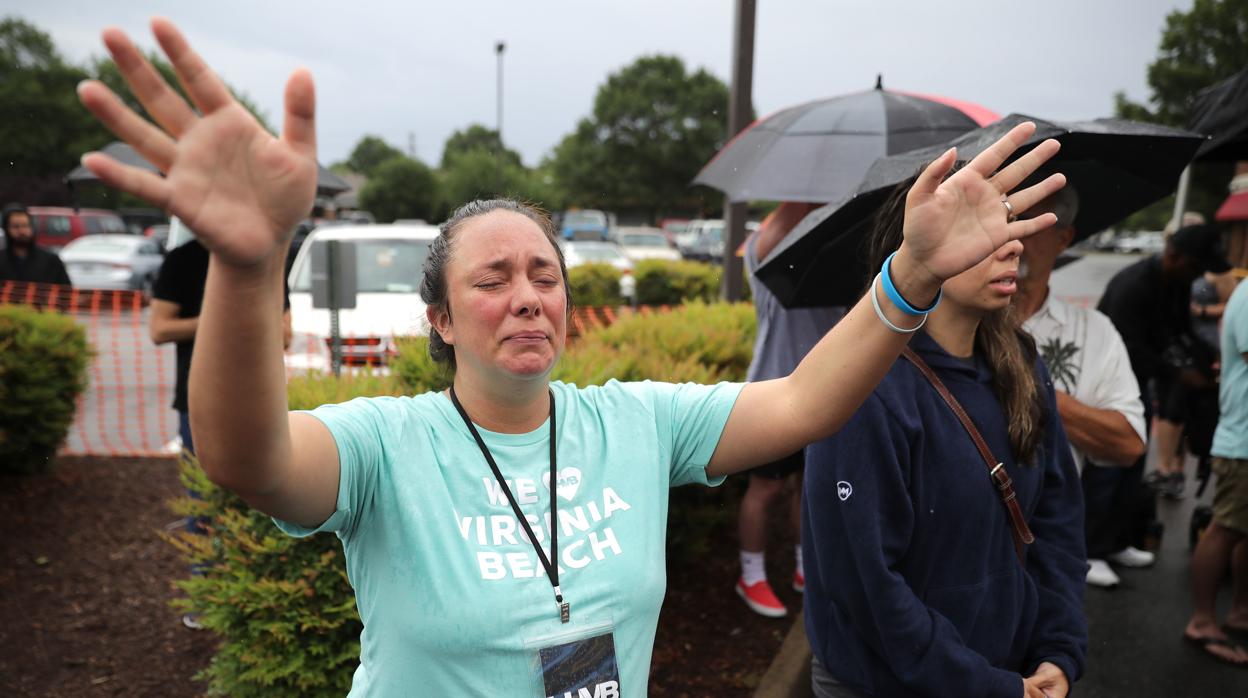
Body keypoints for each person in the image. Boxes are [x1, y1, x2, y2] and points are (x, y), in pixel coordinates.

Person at [76, 19, 1064, 696]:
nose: (526, 295)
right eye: (492, 278)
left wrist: (910, 269)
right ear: (443, 321)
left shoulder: (631, 422)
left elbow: (805, 400)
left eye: (543, 273)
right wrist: (247, 266)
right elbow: (246, 458)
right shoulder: (385, 444)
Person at [803, 182, 1087, 697]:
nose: (1013, 246)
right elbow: (868, 587)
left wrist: (1058, 650)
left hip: (1013, 673)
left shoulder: (1022, 365)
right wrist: (987, 685)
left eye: (1010, 227)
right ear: (917, 245)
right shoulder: (862, 385)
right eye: (979, 229)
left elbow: (1057, 522)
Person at [1013, 188, 1149, 589]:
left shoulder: (1094, 332)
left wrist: (1035, 387)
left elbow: (1127, 445)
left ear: (1065, 238)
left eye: (1034, 222)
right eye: (1007, 217)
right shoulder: (949, 326)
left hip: (1049, 540)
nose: (1016, 235)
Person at [736, 200, 844, 617]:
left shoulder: (833, 250)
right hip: (773, 389)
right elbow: (777, 228)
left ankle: (805, 568)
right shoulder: (768, 247)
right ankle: (751, 575)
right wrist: (807, 194)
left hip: (826, 390)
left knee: (809, 486)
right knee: (766, 488)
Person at [1099, 224, 1227, 500]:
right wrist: (1178, 374)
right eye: (1195, 267)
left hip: (1139, 377)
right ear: (1173, 255)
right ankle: (1099, 536)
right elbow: (1126, 348)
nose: (1198, 276)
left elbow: (1181, 329)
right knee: (1113, 462)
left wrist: (1208, 357)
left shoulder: (1178, 283)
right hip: (1109, 383)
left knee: (1135, 455)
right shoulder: (1134, 286)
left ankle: (1121, 530)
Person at [151, 236, 292, 455]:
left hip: (257, 402)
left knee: (253, 484)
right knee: (204, 482)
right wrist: (220, 319)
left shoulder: (262, 261)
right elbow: (159, 329)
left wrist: (252, 317)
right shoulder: (184, 258)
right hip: (199, 403)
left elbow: (285, 337)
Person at [1183, 275, 1248, 667]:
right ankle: (1202, 620)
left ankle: (1241, 610)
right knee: (1227, 527)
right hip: (1242, 443)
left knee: (1242, 529)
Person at [0, 203, 72, 286]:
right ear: (6, 229)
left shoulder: (51, 261)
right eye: (16, 227)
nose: (22, 231)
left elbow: (66, 293)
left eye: (25, 225)